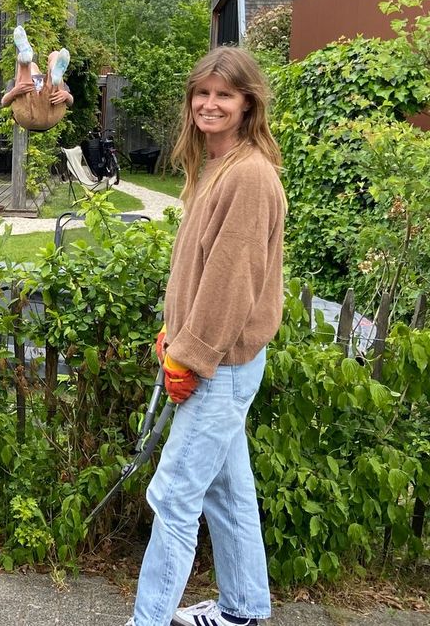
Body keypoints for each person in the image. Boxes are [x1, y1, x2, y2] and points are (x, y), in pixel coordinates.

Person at [124, 46, 286, 626]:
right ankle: (243, 608)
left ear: (247, 103)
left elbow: (231, 282)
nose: (210, 104)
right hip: (210, 355)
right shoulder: (217, 165)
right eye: (203, 93)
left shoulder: (248, 175)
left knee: (172, 497)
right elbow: (196, 269)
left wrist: (190, 356)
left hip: (219, 364)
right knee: (225, 491)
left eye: (224, 95)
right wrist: (175, 333)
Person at [0, 24, 74, 110]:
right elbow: (4, 102)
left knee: (31, 71)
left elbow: (70, 101)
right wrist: (14, 92)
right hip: (42, 106)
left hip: (34, 107)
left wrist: (66, 95)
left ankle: (26, 57)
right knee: (54, 56)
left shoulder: (42, 79)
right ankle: (51, 63)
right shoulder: (16, 82)